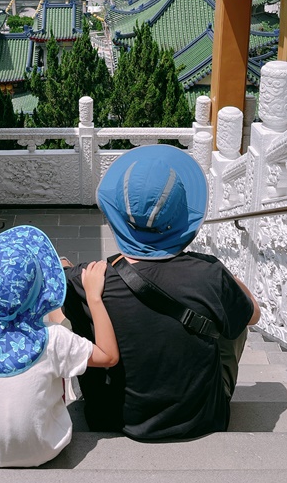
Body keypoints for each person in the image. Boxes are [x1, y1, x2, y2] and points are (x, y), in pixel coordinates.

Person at [62, 144, 261, 441]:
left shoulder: (87, 279)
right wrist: (224, 276)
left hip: (110, 417)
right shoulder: (210, 273)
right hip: (202, 419)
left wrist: (65, 269)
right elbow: (253, 315)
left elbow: (47, 292)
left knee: (72, 312)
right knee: (236, 315)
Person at [0, 224, 119, 468]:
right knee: (59, 352)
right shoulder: (53, 339)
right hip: (46, 448)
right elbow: (108, 357)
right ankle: (59, 278)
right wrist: (93, 297)